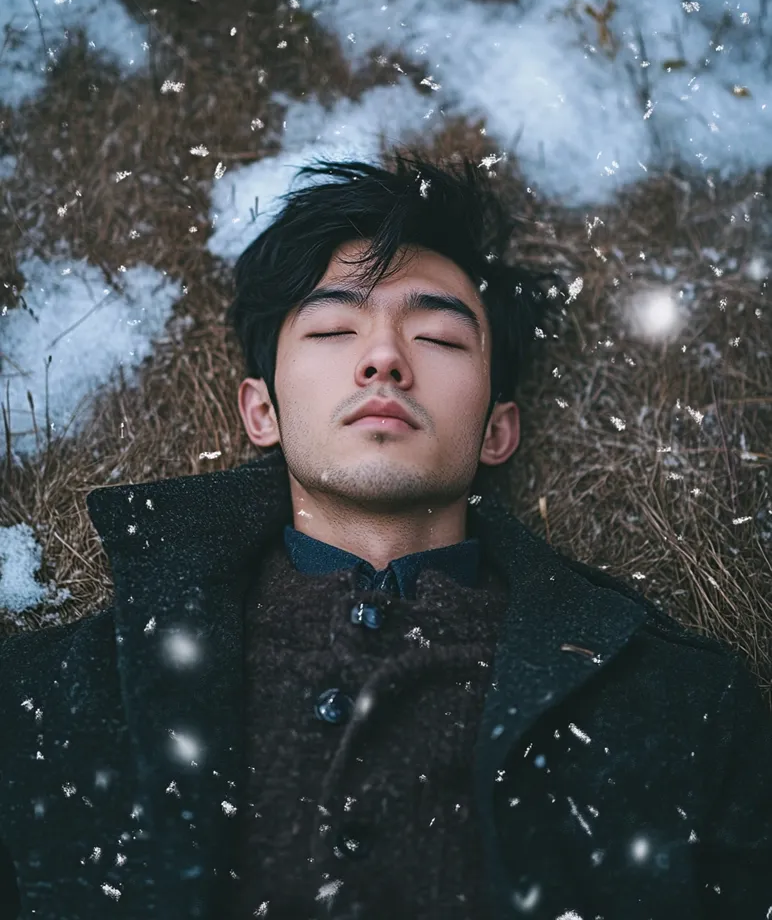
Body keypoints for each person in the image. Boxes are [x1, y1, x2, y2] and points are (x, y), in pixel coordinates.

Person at [0, 151, 770, 920]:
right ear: (260, 411)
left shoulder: (681, 714)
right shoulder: (44, 701)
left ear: (498, 430)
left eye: (437, 338)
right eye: (334, 328)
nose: (383, 359)